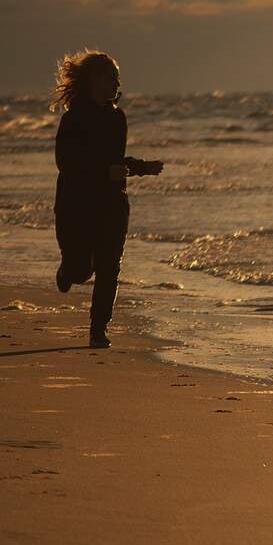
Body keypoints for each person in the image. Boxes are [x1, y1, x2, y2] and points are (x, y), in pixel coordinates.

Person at [50, 50, 162, 348]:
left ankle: (98, 329)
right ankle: (67, 270)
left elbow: (115, 161)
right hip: (77, 203)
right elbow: (66, 162)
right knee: (80, 270)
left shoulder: (117, 118)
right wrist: (106, 171)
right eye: (109, 76)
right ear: (91, 81)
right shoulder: (73, 119)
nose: (115, 82)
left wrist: (140, 168)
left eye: (117, 77)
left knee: (110, 265)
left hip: (113, 202)